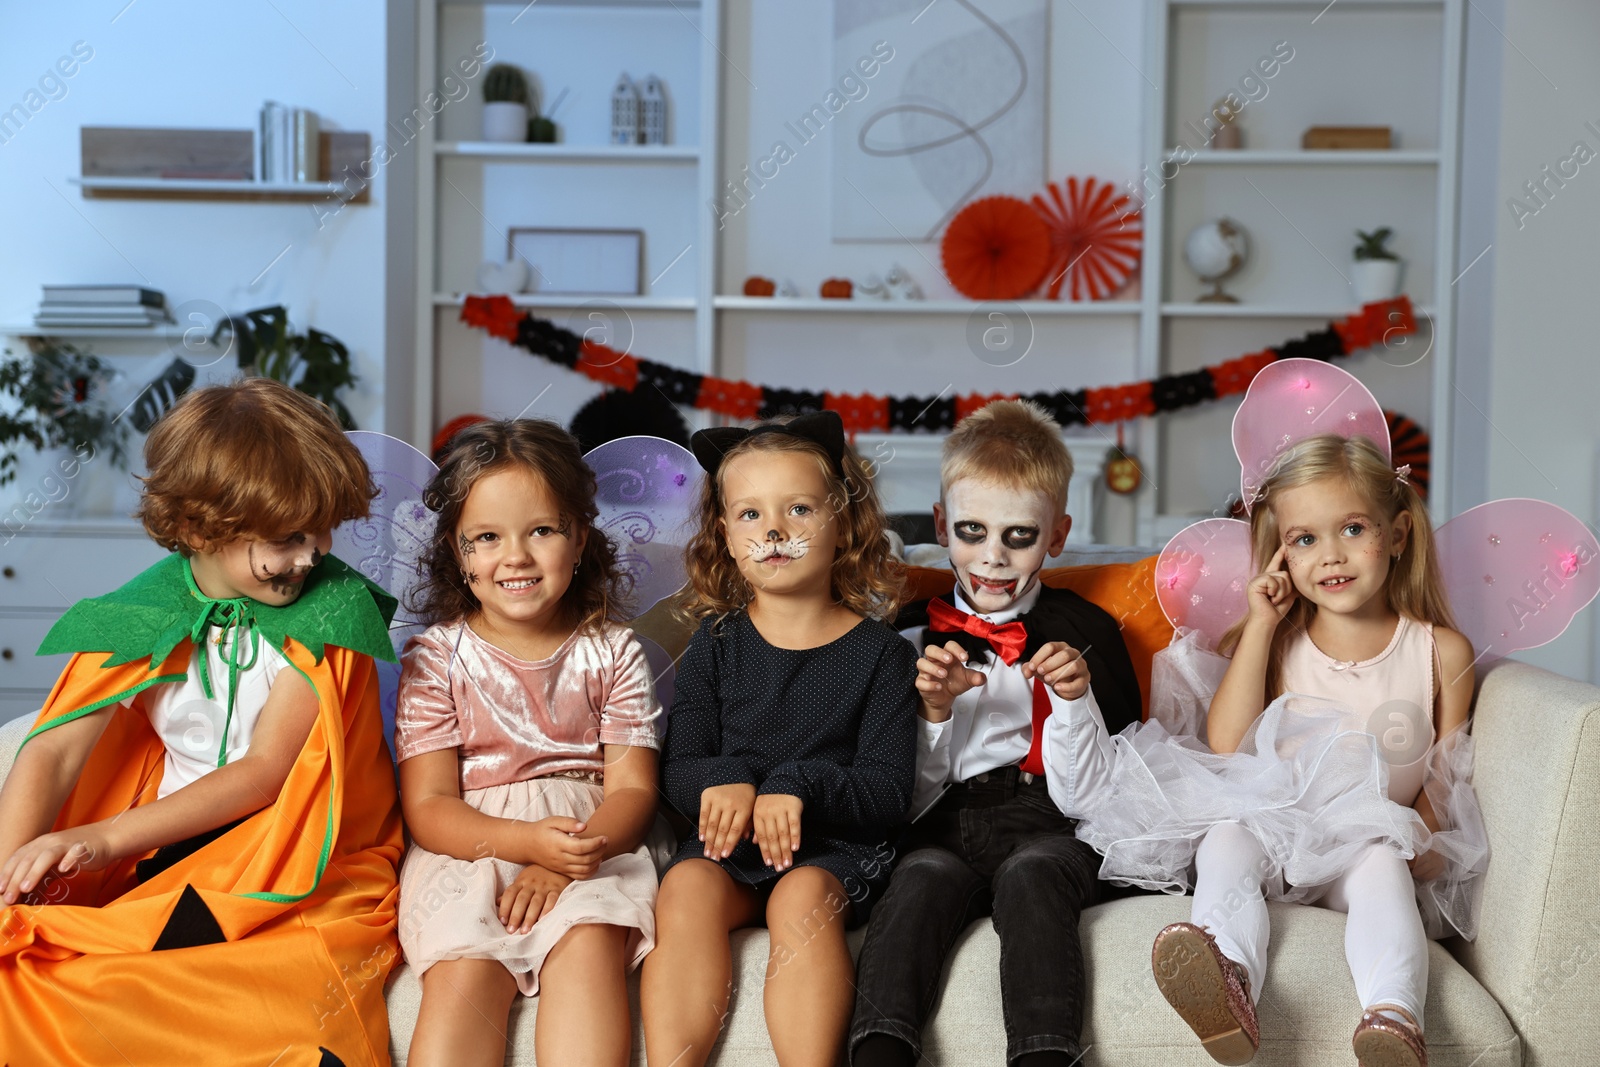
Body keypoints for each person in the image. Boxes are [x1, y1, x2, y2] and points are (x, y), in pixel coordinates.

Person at [0, 378, 403, 1066]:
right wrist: (6, 879)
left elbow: (264, 774)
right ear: (196, 528)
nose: (311, 555)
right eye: (286, 537)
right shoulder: (140, 610)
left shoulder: (331, 614)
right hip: (171, 851)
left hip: (304, 860)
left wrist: (101, 837)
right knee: (33, 968)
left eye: (321, 529)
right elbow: (54, 749)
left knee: (263, 1002)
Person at [1072, 432, 1481, 1067]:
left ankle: (1394, 1017)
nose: (1331, 556)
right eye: (1304, 539)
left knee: (1380, 865)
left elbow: (1447, 770)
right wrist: (1261, 623)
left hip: (1362, 840)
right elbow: (1228, 744)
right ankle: (1225, 979)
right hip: (1275, 824)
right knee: (1227, 836)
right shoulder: (1281, 641)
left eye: (1351, 528)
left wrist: (1425, 832)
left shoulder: (1440, 652)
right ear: (1280, 556)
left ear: (1398, 534)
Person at [848, 399, 1143, 1067]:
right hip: (938, 823)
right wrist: (933, 714)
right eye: (972, 531)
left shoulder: (1087, 632)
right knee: (919, 876)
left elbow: (1093, 801)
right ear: (941, 523)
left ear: (1058, 535)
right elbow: (897, 800)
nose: (992, 558)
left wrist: (1072, 701)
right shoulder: (905, 635)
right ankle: (878, 1054)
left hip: (1046, 819)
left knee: (1034, 872)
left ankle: (1043, 1056)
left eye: (1019, 536)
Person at [641, 411, 918, 1067]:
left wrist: (796, 784)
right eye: (750, 515)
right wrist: (721, 779)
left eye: (798, 508)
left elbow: (887, 792)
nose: (774, 530)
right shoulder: (713, 643)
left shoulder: (882, 655)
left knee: (799, 897)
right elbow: (676, 768)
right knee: (685, 887)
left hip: (833, 852)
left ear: (843, 523)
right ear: (725, 536)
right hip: (729, 849)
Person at [394, 419, 663, 1067]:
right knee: (465, 961)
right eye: (486, 537)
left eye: (541, 530)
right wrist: (521, 845)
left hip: (591, 838)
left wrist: (561, 859)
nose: (514, 556)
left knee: (591, 939)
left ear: (579, 538)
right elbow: (428, 806)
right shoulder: (436, 659)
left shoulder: (612, 651)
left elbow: (633, 790)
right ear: (459, 554)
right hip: (469, 844)